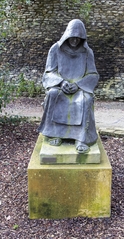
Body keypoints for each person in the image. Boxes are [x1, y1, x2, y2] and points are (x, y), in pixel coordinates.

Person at [38, 19, 99, 154]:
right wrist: (61, 82)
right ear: (67, 34)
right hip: (60, 86)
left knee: (86, 99)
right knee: (53, 94)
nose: (75, 40)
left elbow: (93, 75)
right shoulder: (55, 49)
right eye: (73, 36)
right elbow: (49, 72)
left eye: (79, 37)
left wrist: (78, 84)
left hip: (80, 88)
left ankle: (80, 138)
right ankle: (56, 133)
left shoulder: (87, 52)